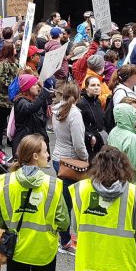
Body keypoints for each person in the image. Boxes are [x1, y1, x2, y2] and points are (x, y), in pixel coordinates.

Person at [0, 133, 69, 271]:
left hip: (16, 249)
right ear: (35, 156)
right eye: (45, 151)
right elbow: (64, 222)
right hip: (44, 251)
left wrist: (9, 225)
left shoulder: (7, 181)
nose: (48, 155)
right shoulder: (54, 185)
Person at [71, 145, 136, 271]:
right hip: (123, 267)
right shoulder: (131, 192)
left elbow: (76, 226)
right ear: (124, 166)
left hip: (92, 266)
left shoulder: (82, 189)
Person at [52, 81, 87, 254]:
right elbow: (79, 144)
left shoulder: (56, 109)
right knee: (68, 204)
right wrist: (85, 158)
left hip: (58, 158)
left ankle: (63, 236)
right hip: (71, 161)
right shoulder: (75, 114)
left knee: (63, 200)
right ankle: (64, 240)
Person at [11, 73, 51, 149]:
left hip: (36, 141)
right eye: (35, 84)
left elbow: (43, 118)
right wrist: (43, 93)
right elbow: (31, 108)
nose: (37, 87)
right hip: (26, 143)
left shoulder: (34, 99)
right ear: (27, 87)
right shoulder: (20, 101)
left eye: (38, 84)